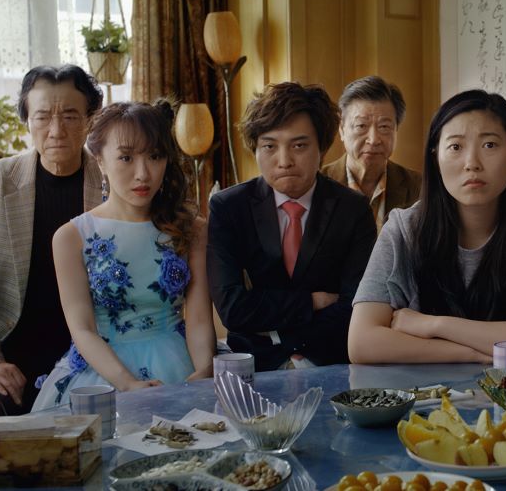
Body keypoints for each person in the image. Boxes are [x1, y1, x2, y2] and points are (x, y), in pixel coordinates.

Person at [348, 90, 506, 365]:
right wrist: (474, 353)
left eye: (489, 145)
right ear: (436, 158)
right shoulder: (403, 229)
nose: (472, 163)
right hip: (421, 403)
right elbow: (362, 343)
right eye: (456, 147)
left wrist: (432, 325)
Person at [32, 102, 214, 410]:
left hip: (178, 362)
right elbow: (82, 329)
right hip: (102, 372)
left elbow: (197, 318)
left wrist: (204, 372)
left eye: (155, 156)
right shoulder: (71, 237)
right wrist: (127, 384)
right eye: (126, 158)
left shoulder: (192, 229)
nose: (143, 174)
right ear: (100, 160)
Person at [0, 64, 103, 412]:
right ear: (27, 121)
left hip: (99, 352)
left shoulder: (110, 180)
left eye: (69, 116)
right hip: (12, 355)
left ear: (89, 119)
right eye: (42, 117)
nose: (55, 131)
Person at [208, 82, 377, 371]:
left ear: (322, 148)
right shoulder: (228, 208)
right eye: (269, 146)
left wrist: (278, 328)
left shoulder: (353, 209)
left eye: (299, 146)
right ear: (255, 149)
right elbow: (233, 309)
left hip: (332, 363)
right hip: (255, 367)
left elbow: (357, 306)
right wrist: (311, 302)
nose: (284, 161)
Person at [321, 76, 421, 231]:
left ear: (396, 130)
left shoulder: (419, 187)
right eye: (361, 126)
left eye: (384, 127)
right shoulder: (318, 184)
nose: (374, 140)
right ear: (342, 129)